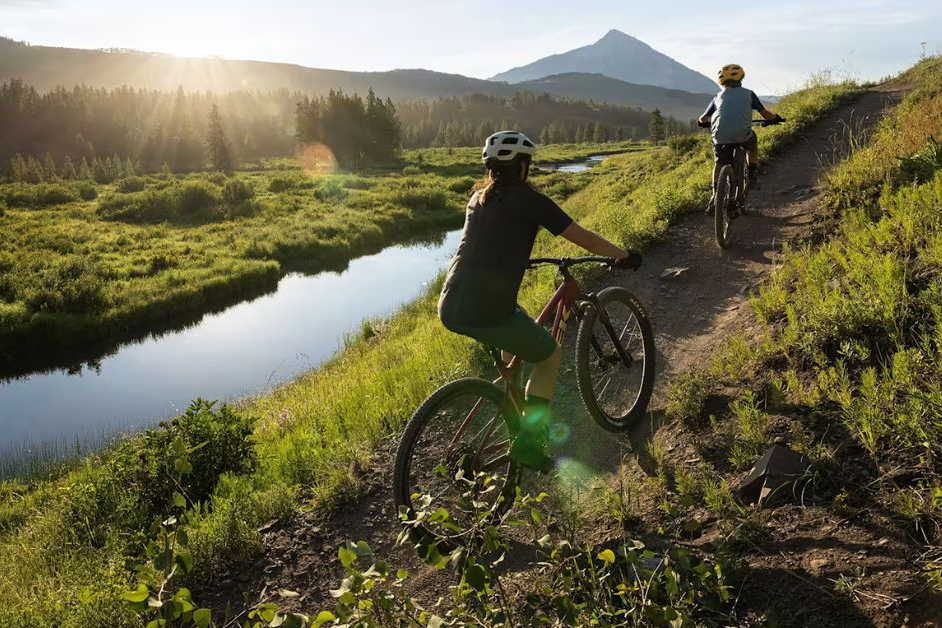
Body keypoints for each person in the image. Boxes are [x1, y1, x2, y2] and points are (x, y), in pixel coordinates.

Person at [438, 130, 641, 472]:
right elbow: (586, 239)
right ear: (521, 167)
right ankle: (529, 444)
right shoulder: (529, 200)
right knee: (549, 355)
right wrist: (622, 255)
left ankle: (508, 392)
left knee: (519, 321)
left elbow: (481, 245)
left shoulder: (478, 198)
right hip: (486, 310)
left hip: (452, 302)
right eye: (526, 163)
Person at [698, 64, 782, 215]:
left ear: (721, 81)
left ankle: (715, 195)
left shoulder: (717, 97)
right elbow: (764, 114)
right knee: (753, 141)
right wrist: (775, 118)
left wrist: (703, 123)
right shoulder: (748, 94)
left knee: (719, 162)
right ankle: (752, 174)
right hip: (742, 136)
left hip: (720, 137)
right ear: (741, 78)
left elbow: (702, 118)